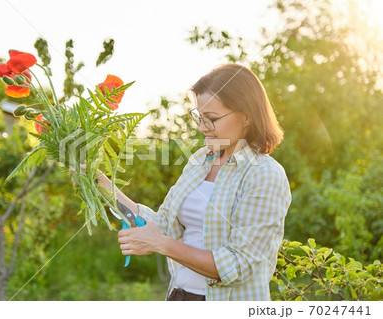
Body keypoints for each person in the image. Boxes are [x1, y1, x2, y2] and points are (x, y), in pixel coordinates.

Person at [94, 63, 291, 301]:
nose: (201, 127)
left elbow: (238, 265)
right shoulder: (200, 160)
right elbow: (162, 223)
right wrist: (101, 182)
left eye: (212, 119)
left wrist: (162, 245)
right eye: (199, 117)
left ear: (247, 116)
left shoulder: (264, 174)